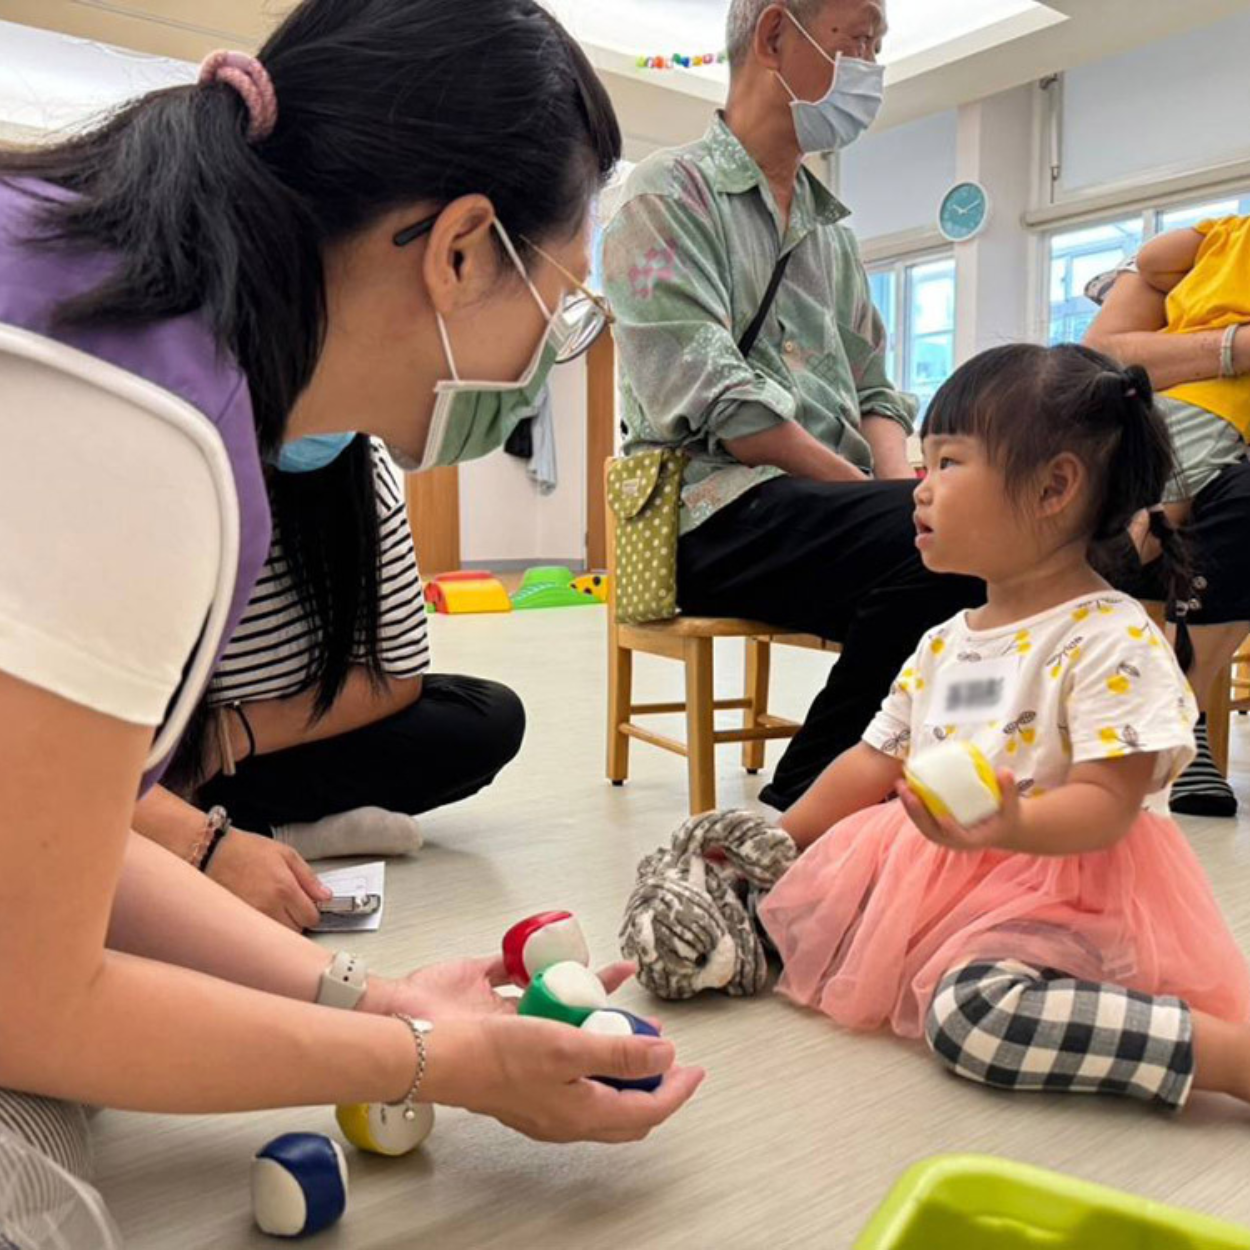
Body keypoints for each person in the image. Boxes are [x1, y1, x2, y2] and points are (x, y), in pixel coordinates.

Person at [0, 0, 702, 1190]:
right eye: (564, 302)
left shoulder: (141, 328)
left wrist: (376, 1001)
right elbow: (36, 995)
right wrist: (438, 1060)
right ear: (461, 248)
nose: (547, 352)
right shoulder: (148, 427)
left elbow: (53, 849)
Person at [758, 344, 1250, 1114]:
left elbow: (1109, 804)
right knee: (783, 916)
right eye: (923, 463)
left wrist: (1013, 825)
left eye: (948, 463)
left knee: (975, 1018)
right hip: (936, 882)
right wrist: (775, 847)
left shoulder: (1110, 637)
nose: (920, 487)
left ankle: (1227, 1056)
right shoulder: (944, 639)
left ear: (1054, 486)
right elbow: (872, 759)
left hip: (1066, 901)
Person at [602, 0, 980, 811]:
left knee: (973, 534)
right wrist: (884, 501)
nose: (871, 67)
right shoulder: (666, 193)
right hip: (709, 510)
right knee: (946, 540)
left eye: (878, 46)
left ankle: (874, 785)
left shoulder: (828, 230)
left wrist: (903, 491)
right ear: (775, 35)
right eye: (859, 40)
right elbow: (720, 398)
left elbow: (874, 386)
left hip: (824, 506)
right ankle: (807, 803)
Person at [134, 435, 526, 931]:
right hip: (163, 748)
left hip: (279, 737)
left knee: (487, 718)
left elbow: (396, 674)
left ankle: (256, 826)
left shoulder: (360, 471)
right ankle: (257, 828)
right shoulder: (171, 470)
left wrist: (229, 736)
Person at [1084, 218, 1250, 817]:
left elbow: (1155, 258)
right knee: (1170, 508)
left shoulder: (1219, 238)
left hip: (1189, 429)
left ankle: (1171, 709)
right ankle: (1172, 713)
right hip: (1192, 428)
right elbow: (1102, 355)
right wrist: (1233, 348)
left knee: (1179, 504)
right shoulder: (1224, 235)